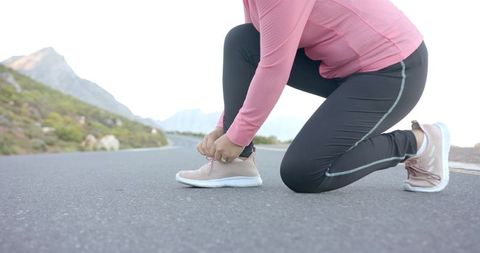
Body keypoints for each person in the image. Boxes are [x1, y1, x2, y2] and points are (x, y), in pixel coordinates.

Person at [175, 0, 450, 193]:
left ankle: (417, 143)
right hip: (342, 66)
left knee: (304, 173)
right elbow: (258, 54)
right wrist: (226, 126)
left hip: (393, 70)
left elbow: (273, 67)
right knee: (242, 40)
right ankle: (236, 163)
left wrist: (235, 136)